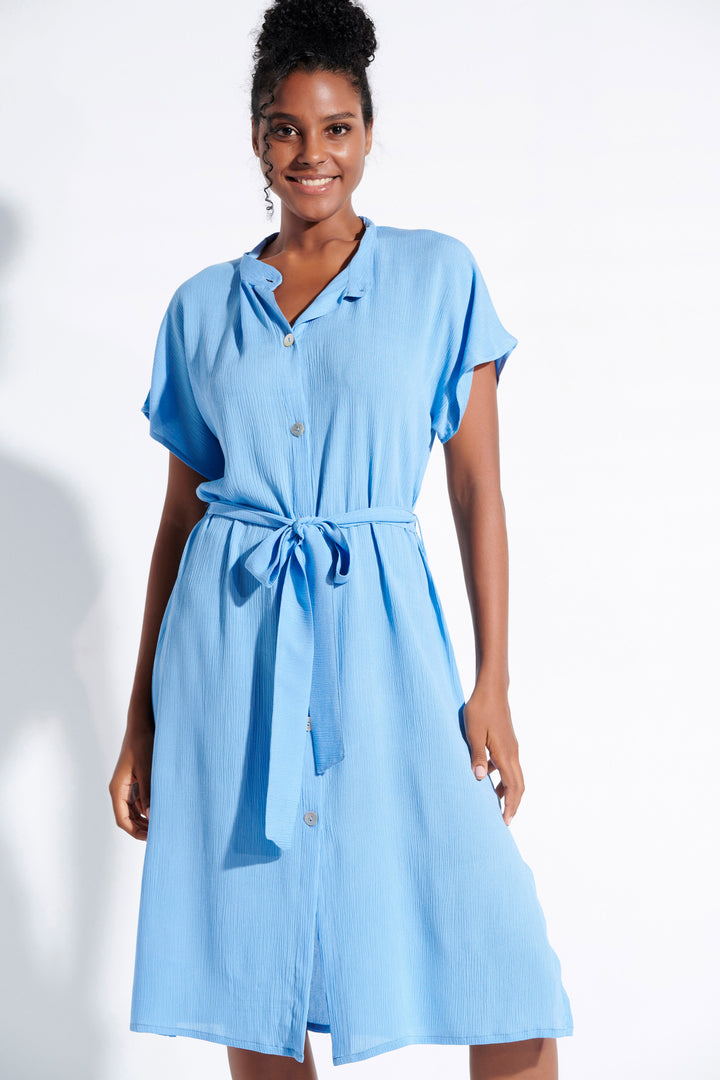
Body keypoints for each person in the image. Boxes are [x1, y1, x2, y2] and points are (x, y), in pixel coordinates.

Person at [109, 1, 574, 1077]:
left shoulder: (438, 276)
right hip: (229, 657)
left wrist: (493, 683)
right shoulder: (200, 308)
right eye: (286, 128)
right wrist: (141, 716)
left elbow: (477, 490)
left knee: (499, 955)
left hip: (387, 651)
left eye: (335, 128)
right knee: (254, 964)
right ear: (257, 139)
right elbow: (180, 517)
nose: (310, 153)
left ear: (367, 134)